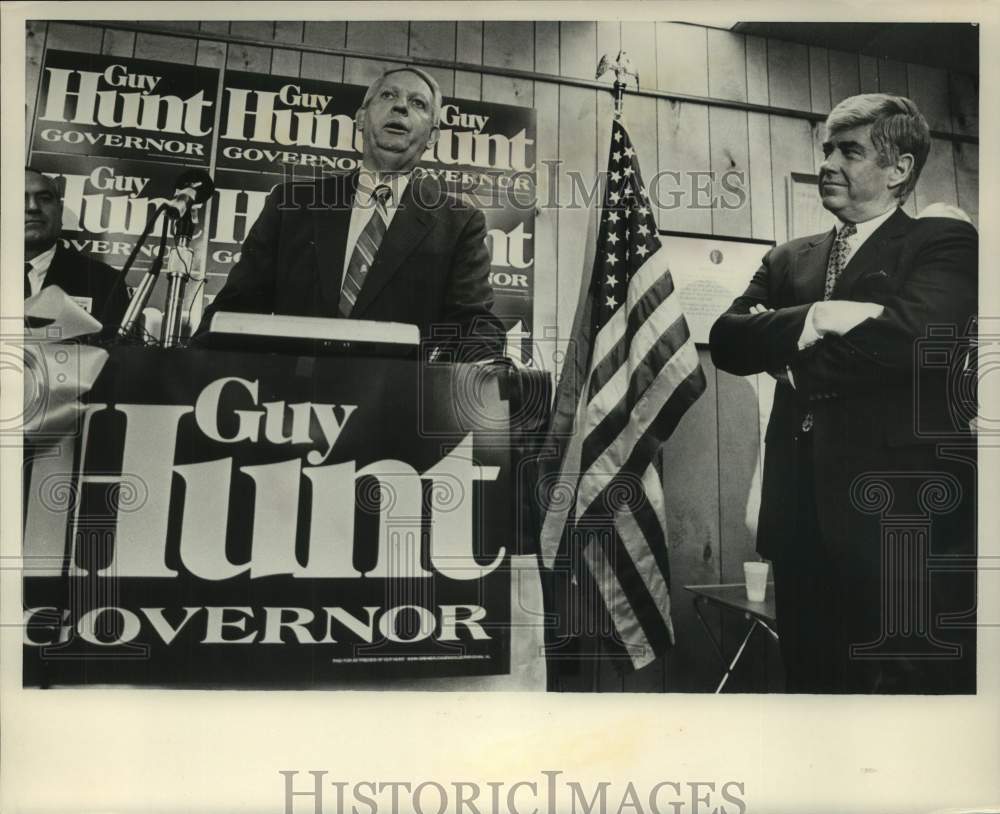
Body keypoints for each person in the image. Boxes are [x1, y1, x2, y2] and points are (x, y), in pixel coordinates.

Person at [709, 94, 977, 693]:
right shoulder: (787, 259)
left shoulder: (941, 245)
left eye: (848, 151)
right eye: (827, 147)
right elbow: (727, 340)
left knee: (904, 694)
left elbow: (910, 339)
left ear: (899, 169)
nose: (827, 162)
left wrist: (794, 363)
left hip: (895, 517)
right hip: (798, 512)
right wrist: (822, 315)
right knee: (812, 683)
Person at [198, 66, 505, 360]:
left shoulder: (459, 222)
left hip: (396, 405)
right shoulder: (291, 204)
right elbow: (235, 308)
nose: (400, 106)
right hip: (288, 400)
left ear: (433, 136)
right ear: (360, 118)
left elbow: (473, 324)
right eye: (388, 96)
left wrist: (486, 367)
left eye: (418, 103)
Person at [24, 166, 130, 327]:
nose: (33, 207)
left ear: (60, 213)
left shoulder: (105, 282)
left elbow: (120, 351)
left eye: (44, 198)